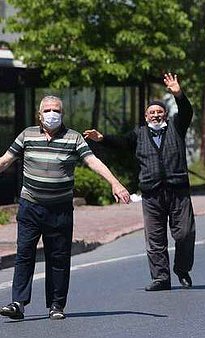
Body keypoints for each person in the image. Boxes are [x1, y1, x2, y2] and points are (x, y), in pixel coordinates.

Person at [0, 96, 130, 321]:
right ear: (39, 115)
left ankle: (56, 305)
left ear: (62, 114)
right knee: (24, 254)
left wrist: (114, 182)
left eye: (56, 110)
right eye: (48, 110)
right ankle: (18, 303)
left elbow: (93, 161)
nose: (52, 114)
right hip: (30, 206)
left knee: (58, 257)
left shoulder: (74, 138)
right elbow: (4, 161)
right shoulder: (27, 135)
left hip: (59, 209)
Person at [84, 73, 196, 292]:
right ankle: (161, 278)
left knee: (185, 233)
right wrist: (102, 138)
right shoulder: (139, 134)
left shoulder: (176, 127)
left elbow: (186, 112)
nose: (156, 115)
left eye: (159, 112)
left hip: (178, 190)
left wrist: (178, 94)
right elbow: (121, 142)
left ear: (165, 115)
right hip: (152, 193)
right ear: (146, 117)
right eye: (152, 113)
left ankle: (182, 269)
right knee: (155, 238)